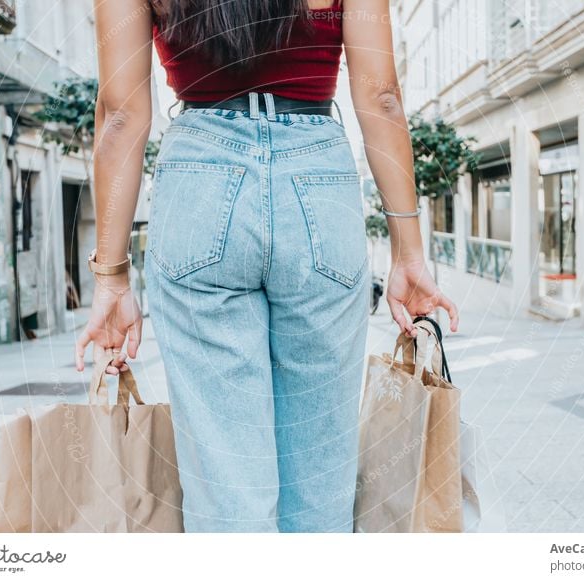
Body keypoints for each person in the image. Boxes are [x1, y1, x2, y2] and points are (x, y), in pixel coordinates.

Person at [76, 0, 459, 532]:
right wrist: (409, 253)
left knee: (228, 486)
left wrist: (111, 277)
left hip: (199, 182)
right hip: (317, 184)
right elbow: (381, 96)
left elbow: (120, 114)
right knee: (322, 480)